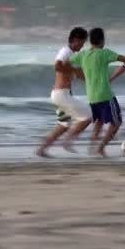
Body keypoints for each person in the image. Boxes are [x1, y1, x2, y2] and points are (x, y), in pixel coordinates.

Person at [69, 28, 125, 157]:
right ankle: (100, 148)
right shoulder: (104, 53)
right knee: (116, 123)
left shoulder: (83, 54)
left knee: (99, 122)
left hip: (91, 97)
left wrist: (76, 74)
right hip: (105, 95)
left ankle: (91, 149)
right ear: (102, 41)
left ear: (90, 41)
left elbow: (67, 62)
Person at [37, 27, 92, 157]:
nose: (82, 45)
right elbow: (57, 65)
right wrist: (73, 70)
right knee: (88, 116)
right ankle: (68, 141)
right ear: (74, 40)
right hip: (61, 94)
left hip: (58, 94)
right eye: (81, 42)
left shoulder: (71, 54)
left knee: (64, 124)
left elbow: (77, 73)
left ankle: (42, 149)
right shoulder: (66, 51)